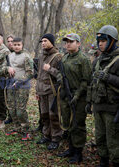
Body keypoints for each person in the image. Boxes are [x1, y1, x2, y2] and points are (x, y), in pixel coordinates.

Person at [57, 33, 92, 164]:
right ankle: (71, 149)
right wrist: (60, 80)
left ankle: (78, 153)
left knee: (78, 125)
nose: (68, 44)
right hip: (66, 95)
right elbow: (60, 73)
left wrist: (77, 95)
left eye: (71, 42)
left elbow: (86, 80)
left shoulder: (84, 59)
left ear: (78, 43)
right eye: (66, 42)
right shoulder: (65, 58)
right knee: (67, 122)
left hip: (80, 97)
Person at [87, 25, 119, 167]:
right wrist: (89, 102)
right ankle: (103, 161)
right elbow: (91, 83)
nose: (100, 43)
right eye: (98, 40)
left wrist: (108, 77)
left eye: (104, 40)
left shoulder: (118, 59)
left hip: (113, 107)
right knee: (100, 137)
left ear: (112, 41)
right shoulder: (97, 60)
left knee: (113, 139)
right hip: (98, 105)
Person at [35, 34, 63, 150]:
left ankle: (56, 138)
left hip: (53, 91)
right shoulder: (41, 56)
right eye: (42, 41)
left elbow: (62, 76)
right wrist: (37, 90)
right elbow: (39, 76)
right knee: (44, 115)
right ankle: (46, 135)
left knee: (53, 115)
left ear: (51, 42)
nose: (43, 43)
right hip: (42, 91)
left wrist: (50, 69)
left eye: (45, 41)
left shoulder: (58, 57)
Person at [5, 37, 34, 140]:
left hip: (22, 86)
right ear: (12, 45)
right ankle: (17, 128)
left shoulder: (26, 57)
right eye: (15, 45)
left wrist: (20, 81)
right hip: (10, 85)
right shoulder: (9, 56)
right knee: (12, 109)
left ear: (22, 45)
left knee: (20, 110)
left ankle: (26, 131)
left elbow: (30, 73)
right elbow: (5, 68)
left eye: (19, 45)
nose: (16, 47)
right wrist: (8, 68)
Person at [5, 34, 14, 124]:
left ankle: (18, 118)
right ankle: (10, 117)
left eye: (12, 41)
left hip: (19, 80)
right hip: (8, 79)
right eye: (8, 41)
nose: (10, 43)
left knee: (18, 101)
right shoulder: (6, 53)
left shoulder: (21, 51)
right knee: (9, 99)